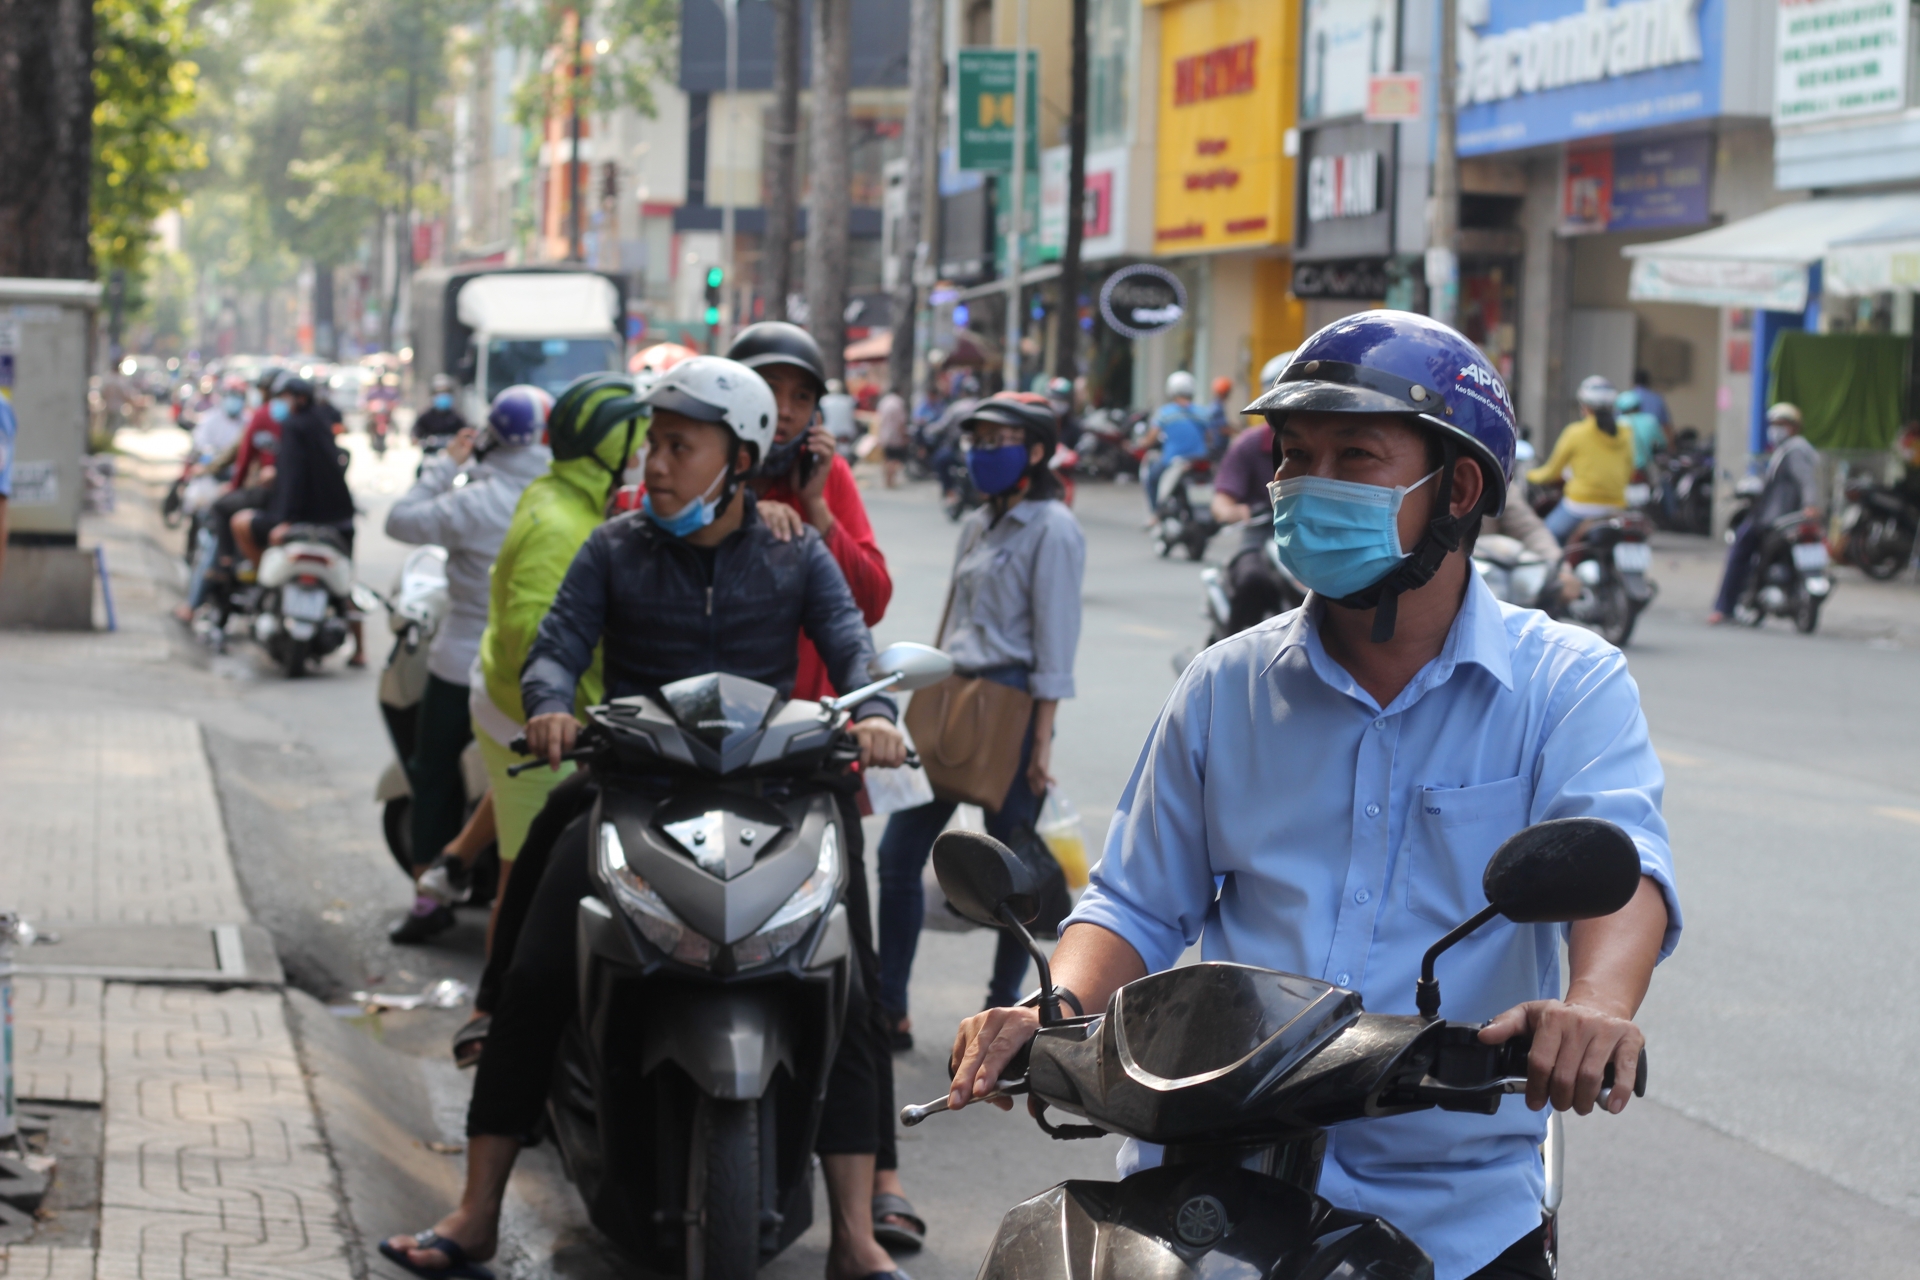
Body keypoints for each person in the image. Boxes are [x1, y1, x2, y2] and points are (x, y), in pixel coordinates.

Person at [945, 311, 1678, 1280]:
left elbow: (1619, 866)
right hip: (1201, 1178)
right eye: (1293, 455)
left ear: (1457, 487)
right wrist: (1060, 1002)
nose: (1303, 483)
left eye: (1354, 454)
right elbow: (1136, 900)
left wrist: (1594, 1005)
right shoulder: (1224, 685)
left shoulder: (1566, 682)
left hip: (1453, 1207)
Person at [382, 356, 913, 1280]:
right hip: (629, 787)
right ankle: (475, 1212)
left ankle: (857, 1237)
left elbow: (854, 654)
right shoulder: (615, 546)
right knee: (533, 976)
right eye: (653, 445)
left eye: (680, 446)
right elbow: (554, 651)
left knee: (853, 992)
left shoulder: (793, 552)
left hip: (784, 795)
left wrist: (874, 718)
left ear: (738, 459)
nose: (656, 465)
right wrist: (549, 705)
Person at [727, 320, 924, 1251]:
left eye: (800, 398)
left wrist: (815, 516)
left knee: (855, 973)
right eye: (770, 394)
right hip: (704, 756)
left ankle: (877, 1183)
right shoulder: (691, 484)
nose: (786, 413)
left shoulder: (823, 484)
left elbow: (871, 603)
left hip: (811, 755)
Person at [876, 392, 1085, 1033]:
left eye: (999, 441)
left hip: (1009, 710)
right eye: (978, 441)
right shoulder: (978, 521)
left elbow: (1054, 647)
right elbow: (954, 617)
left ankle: (1003, 1004)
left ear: (1038, 450)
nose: (983, 453)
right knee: (896, 855)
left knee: (1010, 877)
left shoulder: (1054, 528)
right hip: (949, 698)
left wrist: (1042, 745)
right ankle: (889, 1007)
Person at [383, 385, 555, 943]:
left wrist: (442, 465)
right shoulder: (557, 495)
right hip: (537, 670)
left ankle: (431, 894)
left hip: (461, 663)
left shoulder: (474, 499)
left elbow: (400, 521)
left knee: (432, 774)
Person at [230, 372, 364, 664]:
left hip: (301, 519)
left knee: (240, 522)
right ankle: (361, 649)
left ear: (299, 399)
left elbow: (295, 477)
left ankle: (262, 584)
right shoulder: (321, 422)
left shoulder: (292, 426)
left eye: (283, 398)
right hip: (338, 519)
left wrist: (285, 521)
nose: (279, 404)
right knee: (345, 584)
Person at [1710, 402, 1821, 625]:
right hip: (1781, 517)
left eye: (1782, 424)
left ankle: (1724, 607)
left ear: (1794, 427)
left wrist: (1810, 503)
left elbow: (1806, 480)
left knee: (1740, 549)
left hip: (1776, 519)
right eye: (1774, 424)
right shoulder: (1791, 450)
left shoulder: (1795, 450)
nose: (1776, 429)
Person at [1526, 375, 1634, 542]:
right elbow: (1629, 473)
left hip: (1579, 506)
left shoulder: (1575, 432)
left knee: (1544, 539)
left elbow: (1551, 473)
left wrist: (1530, 475)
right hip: (1616, 507)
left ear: (1585, 407)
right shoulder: (1626, 434)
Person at [1209, 413, 1286, 635]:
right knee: (1252, 579)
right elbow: (1221, 501)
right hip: (1259, 538)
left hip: (1311, 536)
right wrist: (1233, 512)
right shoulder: (1249, 444)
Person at [1141, 370, 1209, 516]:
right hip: (1200, 460)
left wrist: (1141, 443)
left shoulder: (1165, 413)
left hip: (1173, 460)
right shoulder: (1202, 412)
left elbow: (1150, 438)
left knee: (1152, 478)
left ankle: (1155, 514)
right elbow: (1210, 438)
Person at [1614, 388, 1670, 473]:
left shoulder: (1618, 423)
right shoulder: (1650, 420)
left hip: (1624, 470)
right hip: (1646, 469)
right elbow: (1662, 443)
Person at [413, 373, 466, 444]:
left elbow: (465, 433)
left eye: (445, 392)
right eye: (439, 393)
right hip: (430, 453)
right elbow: (416, 433)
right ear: (433, 395)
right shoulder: (425, 418)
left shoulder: (457, 418)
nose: (442, 395)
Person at [877, 387, 910, 488]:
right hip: (894, 436)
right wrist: (904, 436)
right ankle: (891, 481)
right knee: (894, 459)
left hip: (884, 434)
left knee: (887, 458)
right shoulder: (898, 403)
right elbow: (901, 422)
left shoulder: (884, 402)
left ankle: (887, 480)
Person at [1631, 368, 1670, 433]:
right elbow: (1665, 425)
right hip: (1653, 438)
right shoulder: (1657, 399)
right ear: (1648, 381)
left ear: (1634, 381)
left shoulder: (1628, 398)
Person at [1205, 374, 1235, 458]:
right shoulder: (1218, 408)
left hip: (1215, 447)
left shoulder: (1215, 405)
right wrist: (1239, 433)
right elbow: (1222, 429)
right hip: (1218, 449)